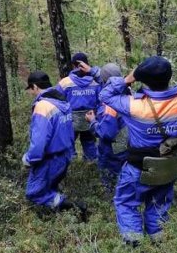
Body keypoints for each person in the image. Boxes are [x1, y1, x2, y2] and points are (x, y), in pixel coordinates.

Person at [95, 56, 177, 247]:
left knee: (126, 203)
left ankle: (134, 246)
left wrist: (126, 80)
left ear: (143, 80)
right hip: (168, 166)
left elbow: (105, 96)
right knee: (158, 205)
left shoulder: (134, 105)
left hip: (137, 167)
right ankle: (158, 243)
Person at [23, 70, 87, 219]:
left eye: (31, 90)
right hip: (64, 155)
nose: (31, 93)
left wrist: (29, 159)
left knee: (34, 192)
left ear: (35, 86)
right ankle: (57, 219)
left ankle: (75, 208)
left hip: (49, 159)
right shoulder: (63, 102)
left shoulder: (43, 106)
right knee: (50, 188)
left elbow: (39, 142)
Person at [85, 63, 129, 193]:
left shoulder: (109, 105)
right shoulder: (128, 92)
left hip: (112, 148)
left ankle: (110, 201)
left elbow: (107, 133)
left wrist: (92, 121)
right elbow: (108, 82)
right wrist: (92, 70)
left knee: (109, 175)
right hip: (127, 142)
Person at [55, 52, 100, 161]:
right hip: (90, 118)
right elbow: (101, 100)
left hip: (70, 120)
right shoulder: (96, 82)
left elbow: (56, 101)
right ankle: (91, 163)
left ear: (74, 65)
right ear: (87, 64)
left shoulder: (64, 83)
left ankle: (72, 164)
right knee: (89, 142)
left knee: (69, 143)